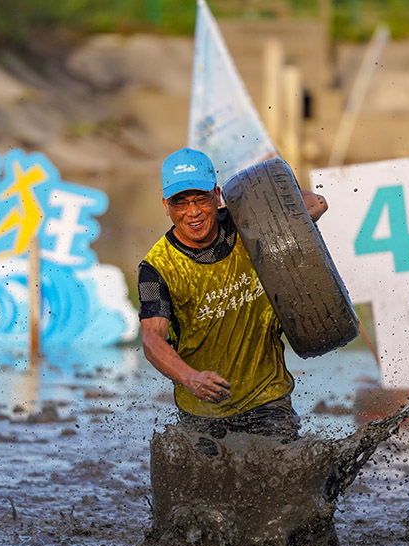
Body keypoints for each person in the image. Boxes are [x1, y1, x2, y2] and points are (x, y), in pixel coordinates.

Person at [138, 147, 328, 441]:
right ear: (166, 204)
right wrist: (191, 378)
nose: (193, 212)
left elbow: (317, 204)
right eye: (180, 202)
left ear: (216, 195)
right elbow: (152, 339)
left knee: (285, 477)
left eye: (201, 198)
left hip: (268, 399)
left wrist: (254, 192)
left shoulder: (248, 223)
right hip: (202, 409)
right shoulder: (156, 267)